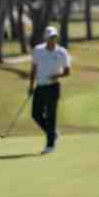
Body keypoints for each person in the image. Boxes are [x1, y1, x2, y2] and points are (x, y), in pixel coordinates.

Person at [29, 26, 72, 154]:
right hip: (40, 86)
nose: (53, 40)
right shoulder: (38, 50)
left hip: (53, 87)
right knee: (35, 114)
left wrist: (56, 75)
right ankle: (52, 133)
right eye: (50, 37)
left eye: (54, 37)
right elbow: (33, 69)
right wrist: (31, 86)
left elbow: (67, 71)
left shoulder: (62, 52)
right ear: (46, 38)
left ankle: (50, 145)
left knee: (51, 116)